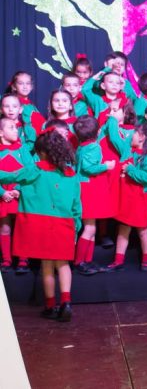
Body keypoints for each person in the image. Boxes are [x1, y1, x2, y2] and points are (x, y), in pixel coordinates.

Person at [0, 129, 81, 321]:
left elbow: (6, 177)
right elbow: (77, 205)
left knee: (46, 265)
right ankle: (66, 302)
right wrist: (75, 228)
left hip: (40, 225)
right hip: (64, 223)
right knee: (63, 264)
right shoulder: (71, 174)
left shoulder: (34, 170)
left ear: (42, 152)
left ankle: (50, 306)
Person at [102, 123, 147, 272]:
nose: (130, 136)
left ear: (142, 137)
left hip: (140, 197)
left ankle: (146, 260)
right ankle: (118, 260)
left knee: (142, 229)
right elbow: (115, 137)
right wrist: (113, 118)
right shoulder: (128, 151)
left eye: (133, 133)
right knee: (123, 227)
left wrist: (130, 169)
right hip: (126, 196)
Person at [73, 116, 117, 275]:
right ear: (97, 132)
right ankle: (80, 261)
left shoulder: (81, 146)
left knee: (91, 227)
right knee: (90, 228)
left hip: (86, 187)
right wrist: (106, 166)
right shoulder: (93, 147)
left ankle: (88, 260)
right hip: (89, 188)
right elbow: (89, 168)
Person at [0, 118, 33, 274]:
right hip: (3, 195)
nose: (16, 130)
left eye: (16, 127)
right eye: (11, 127)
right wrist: (2, 192)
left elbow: (30, 170)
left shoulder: (22, 149)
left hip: (20, 194)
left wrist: (19, 189)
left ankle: (23, 259)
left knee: (22, 227)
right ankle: (6, 259)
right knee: (4, 228)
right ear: (1, 133)